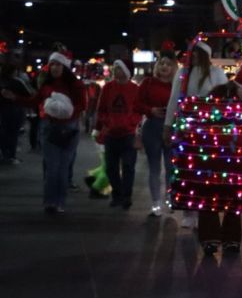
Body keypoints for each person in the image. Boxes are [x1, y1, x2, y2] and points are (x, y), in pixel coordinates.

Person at [3, 52, 86, 213]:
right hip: (50, 128)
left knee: (63, 168)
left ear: (65, 67)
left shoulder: (75, 85)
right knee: (52, 168)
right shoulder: (46, 85)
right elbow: (34, 101)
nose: (55, 67)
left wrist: (66, 113)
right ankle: (50, 202)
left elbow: (81, 105)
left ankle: (60, 202)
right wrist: (14, 97)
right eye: (52, 64)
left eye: (58, 64)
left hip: (69, 129)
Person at [197, 59, 242, 255]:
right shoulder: (217, 94)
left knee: (235, 196)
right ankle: (209, 238)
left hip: (238, 156)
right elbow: (203, 118)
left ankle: (232, 239)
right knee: (208, 195)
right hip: (213, 152)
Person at [165, 41, 227, 227]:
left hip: (210, 129)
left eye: (196, 53)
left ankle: (204, 211)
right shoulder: (183, 74)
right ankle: (188, 213)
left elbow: (224, 98)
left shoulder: (216, 73)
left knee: (207, 172)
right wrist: (168, 125)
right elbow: (174, 99)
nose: (192, 57)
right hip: (187, 128)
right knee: (187, 170)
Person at [135, 50, 177, 216]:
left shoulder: (177, 84)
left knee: (170, 167)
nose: (164, 66)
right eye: (162, 63)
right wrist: (150, 110)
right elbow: (137, 104)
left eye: (168, 64)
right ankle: (156, 203)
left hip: (171, 128)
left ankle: (169, 199)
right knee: (154, 167)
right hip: (152, 127)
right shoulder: (148, 83)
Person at [95, 60, 141, 209]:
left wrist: (131, 123)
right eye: (114, 68)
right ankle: (117, 194)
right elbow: (101, 109)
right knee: (111, 167)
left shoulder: (134, 89)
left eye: (119, 68)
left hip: (128, 134)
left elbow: (138, 110)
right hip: (111, 134)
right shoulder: (108, 88)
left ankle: (126, 196)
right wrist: (106, 122)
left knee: (128, 166)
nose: (115, 71)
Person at [0, 63, 33, 164]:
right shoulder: (17, 82)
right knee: (13, 133)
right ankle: (11, 155)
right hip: (15, 110)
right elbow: (29, 94)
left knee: (3, 132)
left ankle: (4, 152)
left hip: (2, 110)